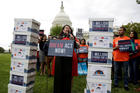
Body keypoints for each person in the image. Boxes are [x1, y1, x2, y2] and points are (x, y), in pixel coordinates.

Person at [52, 25, 79, 93]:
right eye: (65, 28)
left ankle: (69, 90)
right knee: (59, 74)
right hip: (59, 58)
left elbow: (78, 46)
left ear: (70, 30)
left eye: (68, 28)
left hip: (71, 58)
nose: (67, 29)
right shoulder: (59, 37)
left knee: (70, 75)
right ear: (63, 30)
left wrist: (72, 39)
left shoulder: (73, 37)